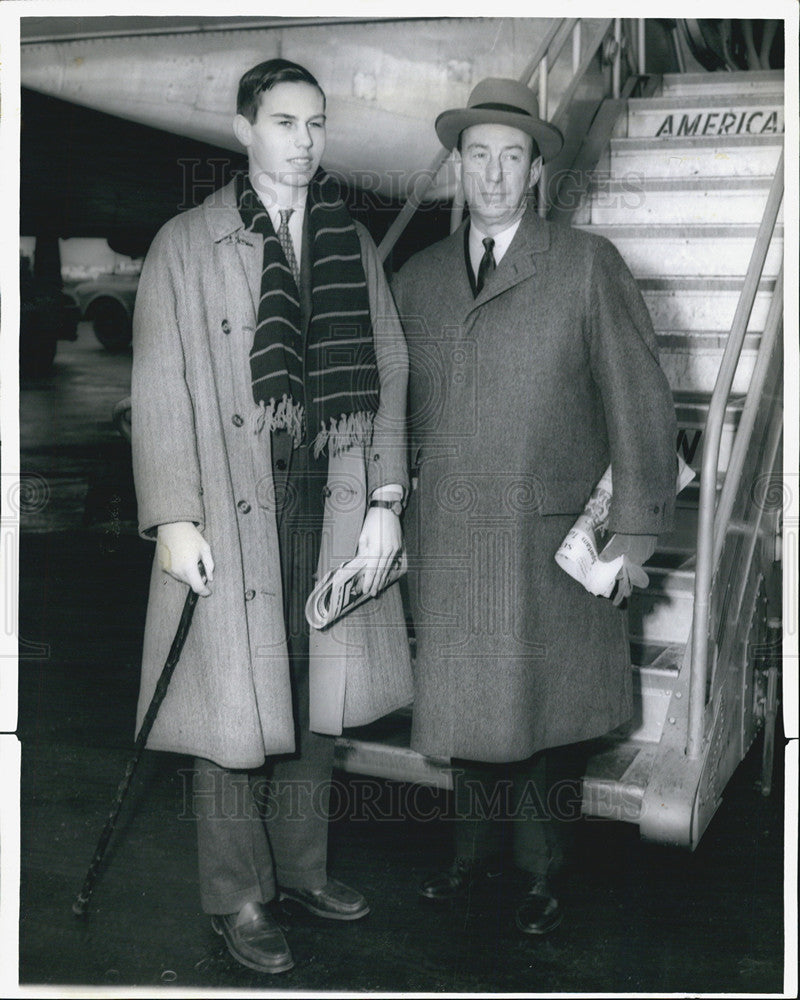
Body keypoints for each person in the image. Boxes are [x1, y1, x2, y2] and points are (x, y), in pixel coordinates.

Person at [131, 58, 411, 975]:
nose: (305, 141)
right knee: (230, 711)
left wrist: (383, 500)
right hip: (227, 500)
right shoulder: (186, 242)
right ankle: (240, 897)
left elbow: (390, 368)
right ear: (244, 129)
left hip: (325, 501)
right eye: (286, 122)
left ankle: (300, 869)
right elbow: (162, 389)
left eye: (317, 124)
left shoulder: (349, 241)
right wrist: (173, 517)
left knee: (312, 694)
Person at [391, 77, 677, 936]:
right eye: (478, 155)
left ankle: (545, 876)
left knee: (547, 726)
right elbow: (393, 412)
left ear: (535, 172)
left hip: (552, 545)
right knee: (471, 717)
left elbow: (642, 405)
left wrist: (634, 535)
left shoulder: (586, 265)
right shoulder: (419, 277)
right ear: (457, 167)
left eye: (512, 157)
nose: (494, 173)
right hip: (452, 540)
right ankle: (470, 864)